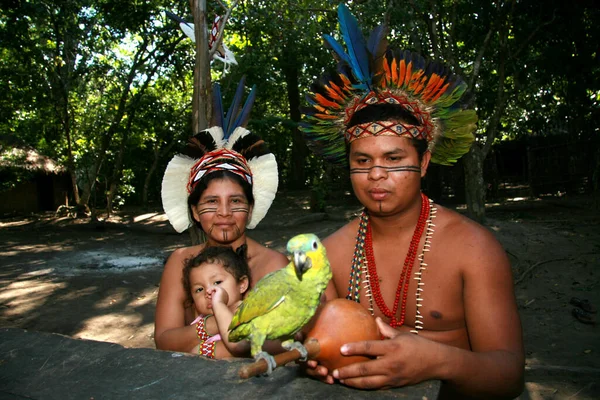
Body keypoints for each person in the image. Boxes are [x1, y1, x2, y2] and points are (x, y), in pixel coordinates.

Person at [299, 5, 524, 399]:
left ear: (423, 161)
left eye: (393, 159)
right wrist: (321, 360)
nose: (376, 175)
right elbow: (324, 351)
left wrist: (437, 361)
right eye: (362, 161)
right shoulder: (329, 254)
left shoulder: (474, 250)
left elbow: (507, 375)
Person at [155, 79, 289, 353]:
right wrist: (217, 323)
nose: (225, 213)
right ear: (194, 210)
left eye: (236, 201)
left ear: (250, 208)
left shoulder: (274, 264)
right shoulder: (181, 262)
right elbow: (165, 340)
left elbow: (282, 340)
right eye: (212, 202)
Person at [182, 246, 251, 358]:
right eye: (199, 289)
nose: (208, 291)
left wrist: (218, 304)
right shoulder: (199, 320)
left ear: (242, 284)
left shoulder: (244, 312)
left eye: (217, 282)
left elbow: (239, 345)